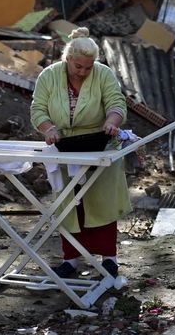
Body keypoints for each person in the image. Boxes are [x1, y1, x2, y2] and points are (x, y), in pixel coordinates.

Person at [30, 27, 132, 278]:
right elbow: (37, 109)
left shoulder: (103, 74)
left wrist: (112, 122)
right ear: (67, 59)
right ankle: (71, 259)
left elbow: (116, 102)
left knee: (101, 202)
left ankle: (109, 258)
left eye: (88, 67)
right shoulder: (49, 76)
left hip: (99, 142)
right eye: (78, 67)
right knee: (69, 204)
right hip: (63, 144)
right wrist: (49, 128)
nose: (83, 72)